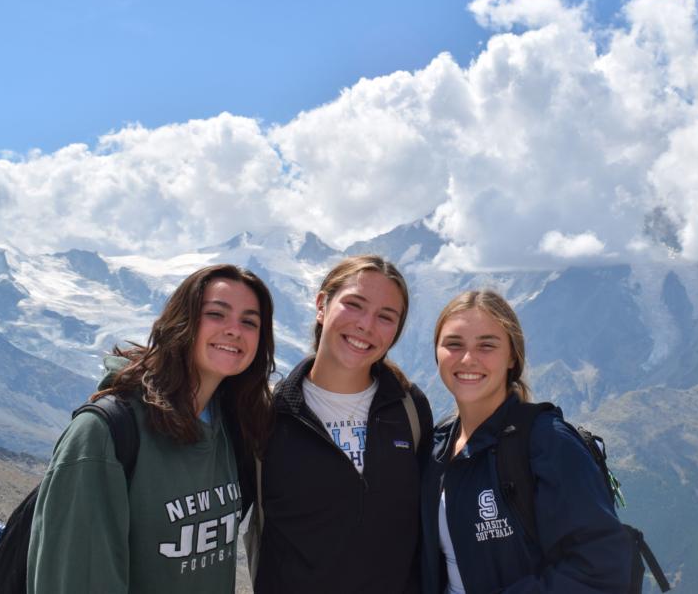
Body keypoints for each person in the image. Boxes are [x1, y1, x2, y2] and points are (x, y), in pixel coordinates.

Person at [27, 264, 275, 593]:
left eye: (249, 322)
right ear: (182, 321)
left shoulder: (233, 430)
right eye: (216, 314)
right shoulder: (103, 434)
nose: (234, 330)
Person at [420, 290, 633, 593]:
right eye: (454, 344)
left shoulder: (548, 442)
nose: (468, 359)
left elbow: (601, 568)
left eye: (486, 345)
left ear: (512, 357)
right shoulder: (436, 447)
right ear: (437, 353)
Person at [254, 254, 433, 594]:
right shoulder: (268, 414)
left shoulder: (410, 408)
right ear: (321, 305)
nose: (366, 325)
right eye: (354, 305)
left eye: (385, 316)